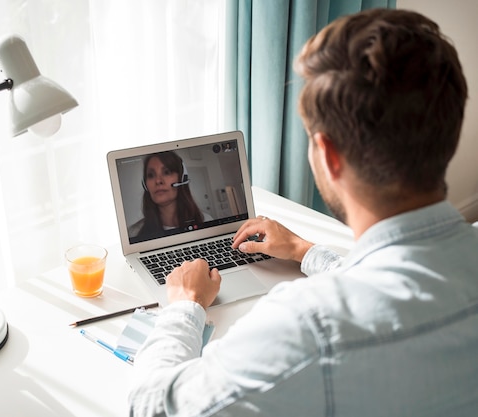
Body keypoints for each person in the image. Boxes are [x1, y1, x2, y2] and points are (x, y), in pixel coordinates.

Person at [128, 8, 478, 416]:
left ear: (327, 155)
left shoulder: (306, 327)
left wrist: (185, 305)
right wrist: (304, 249)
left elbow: (151, 406)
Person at [129, 151, 210, 241]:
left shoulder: (206, 221)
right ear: (145, 184)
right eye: (151, 175)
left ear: (182, 178)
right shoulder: (134, 233)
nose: (158, 181)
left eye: (166, 172)